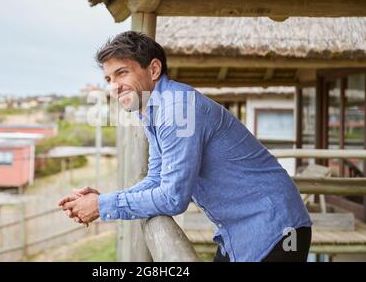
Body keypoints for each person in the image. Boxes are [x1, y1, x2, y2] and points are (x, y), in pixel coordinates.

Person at [58, 31, 312, 262]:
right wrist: (102, 199)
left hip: (275, 229)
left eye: (122, 73)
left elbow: (172, 198)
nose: (114, 86)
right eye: (108, 78)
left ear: (154, 69)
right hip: (239, 232)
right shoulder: (153, 110)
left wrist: (103, 206)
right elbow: (157, 177)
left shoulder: (177, 108)